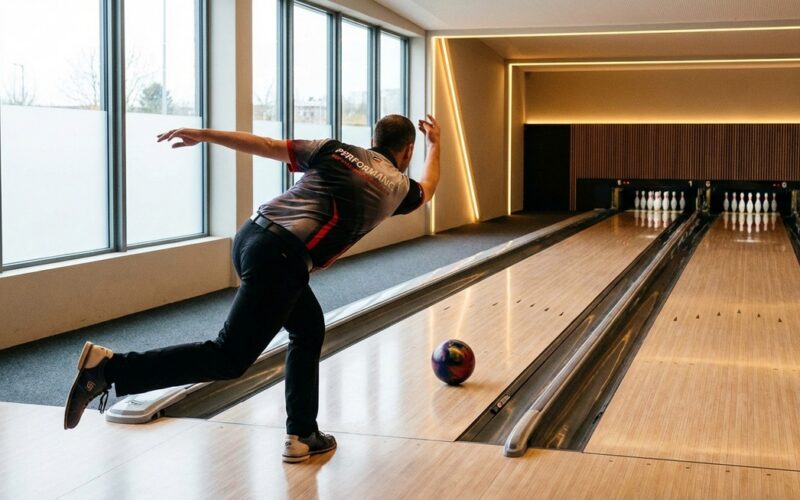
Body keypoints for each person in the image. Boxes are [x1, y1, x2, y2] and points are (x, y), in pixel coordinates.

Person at [63, 114, 441, 463]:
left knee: (308, 328)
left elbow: (266, 145)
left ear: (373, 139)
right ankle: (110, 369)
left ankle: (303, 433)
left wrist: (205, 134)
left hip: (251, 236)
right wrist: (436, 145)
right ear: (408, 150)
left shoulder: (335, 150)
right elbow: (429, 186)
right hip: (281, 257)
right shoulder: (399, 186)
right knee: (228, 357)